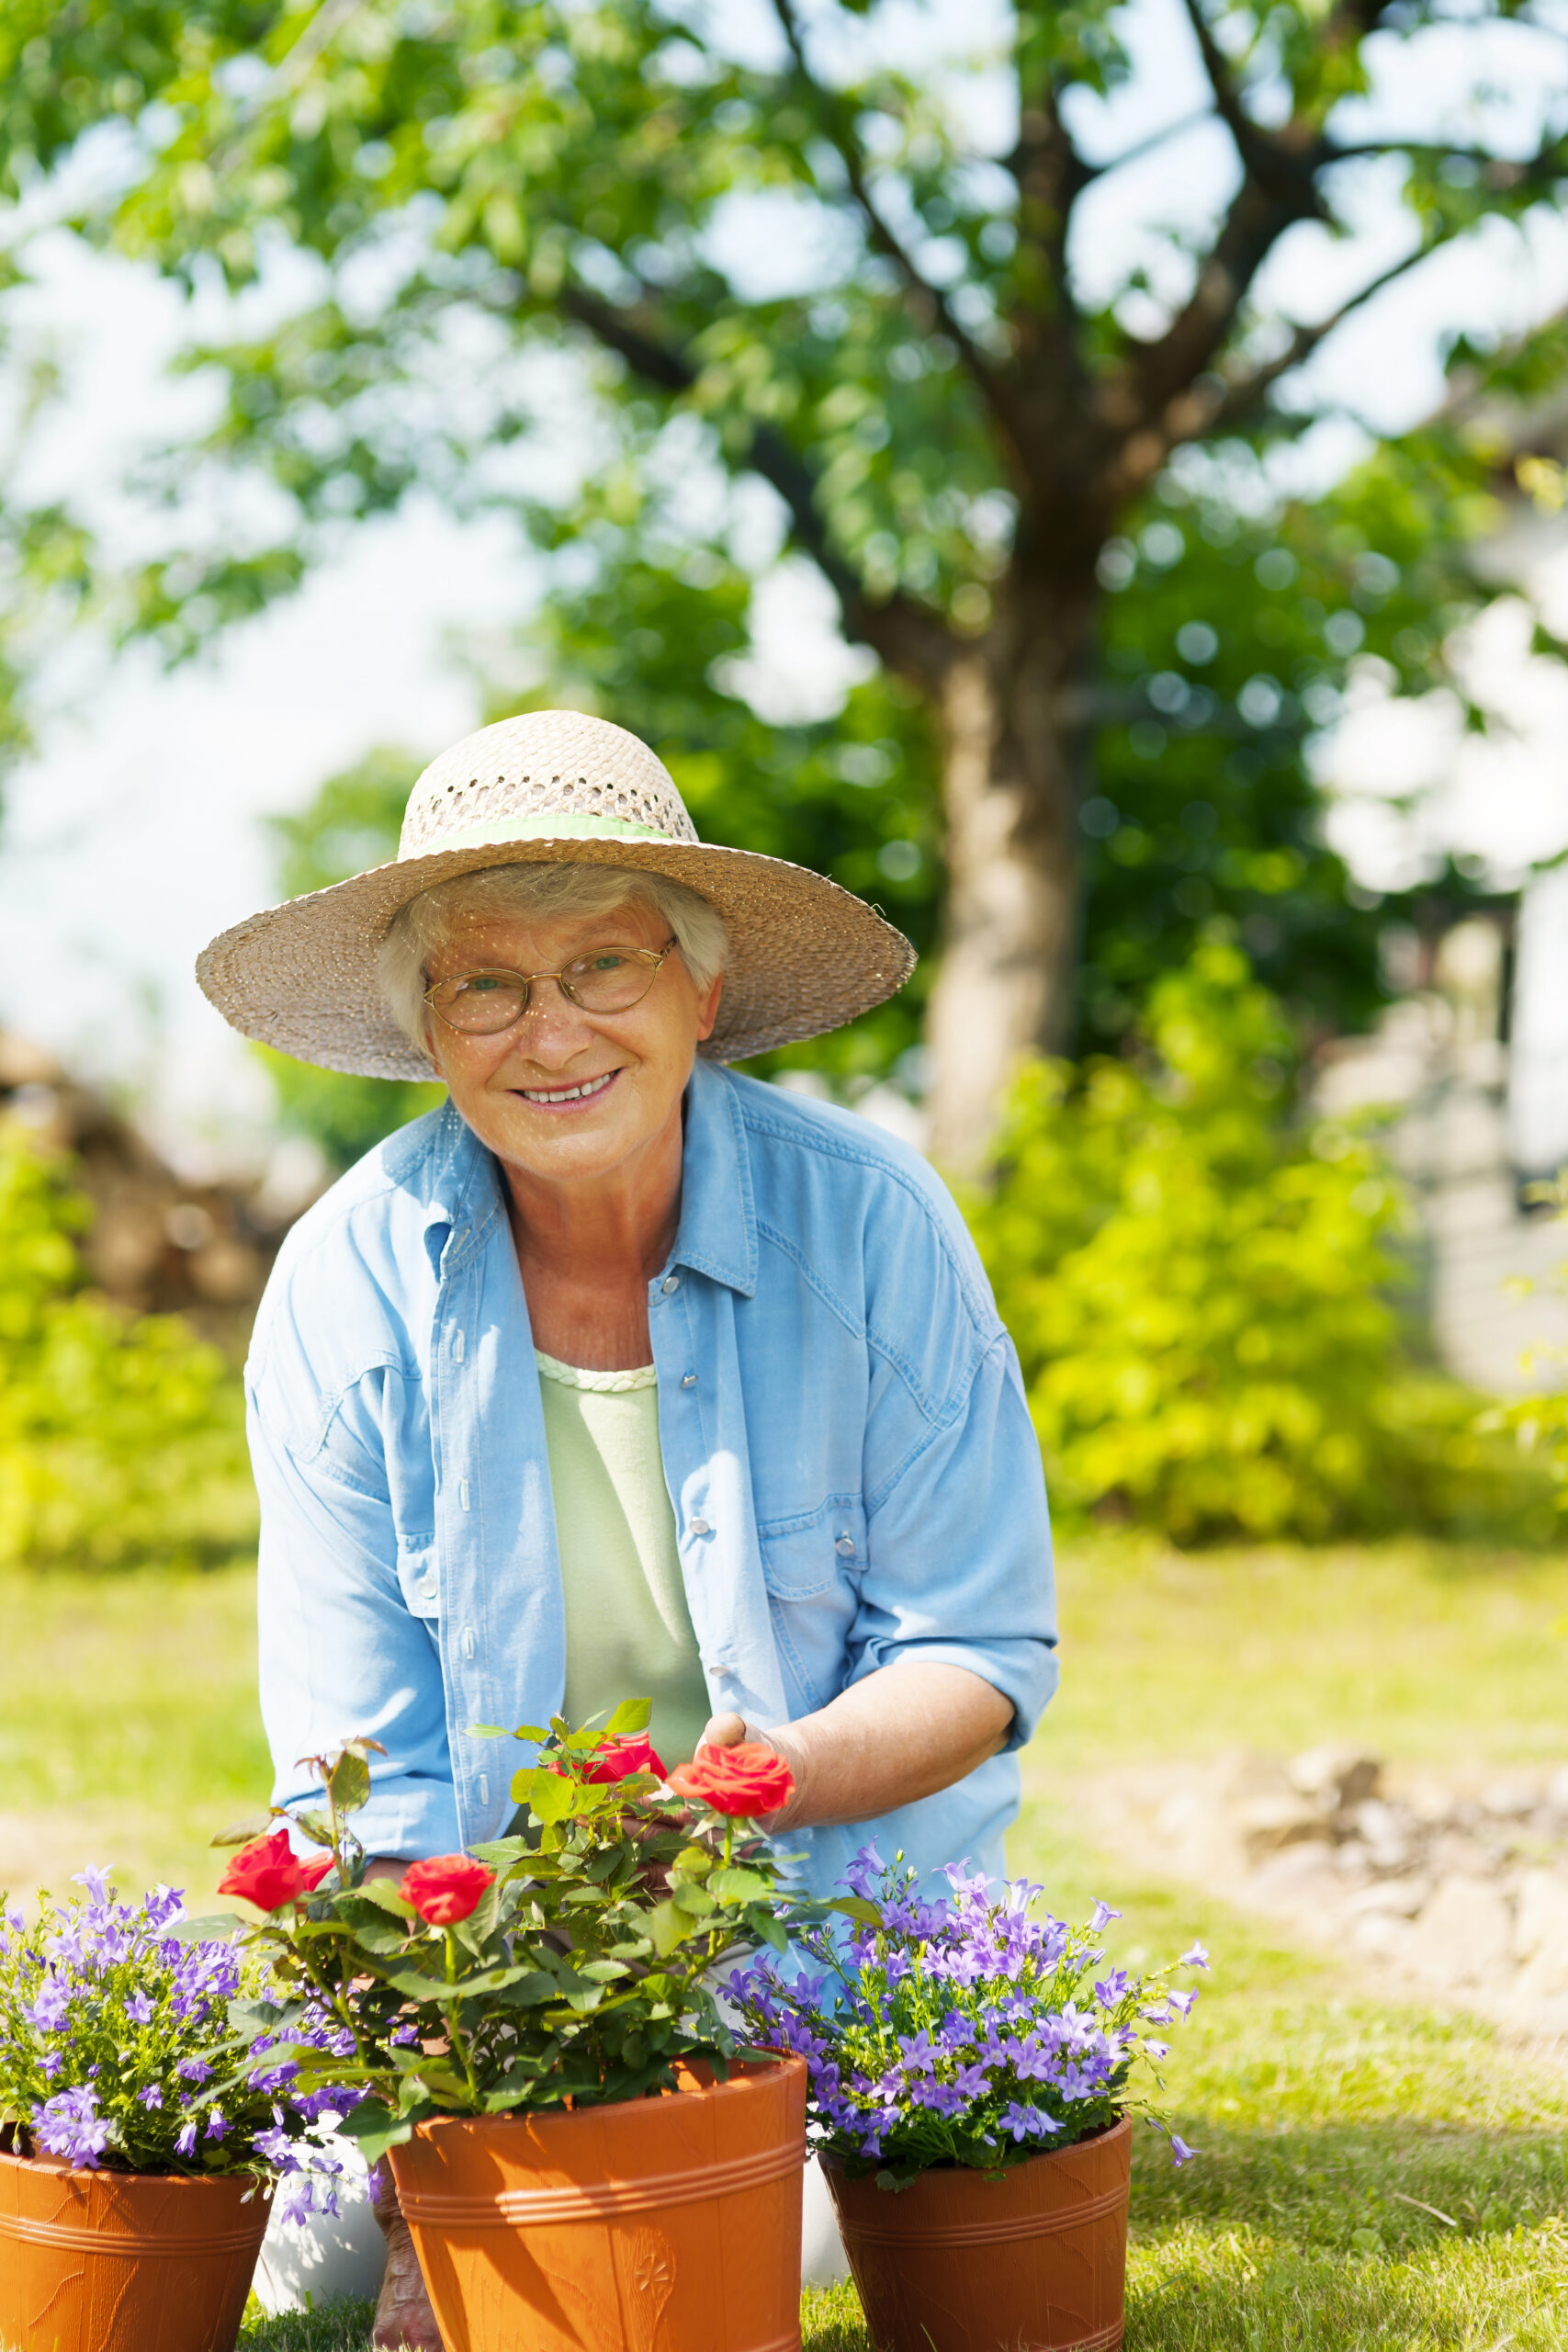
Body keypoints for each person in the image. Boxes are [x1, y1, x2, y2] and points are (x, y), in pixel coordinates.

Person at [198, 707, 1055, 2346]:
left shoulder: (871, 1225)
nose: (551, 1033)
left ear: (699, 993)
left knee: (749, 2226)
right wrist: (447, 2128)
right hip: (495, 1974)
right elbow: (355, 1770)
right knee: (307, 2258)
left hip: (826, 1943)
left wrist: (775, 1774)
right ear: (431, 1028)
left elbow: (978, 1648)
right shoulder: (344, 1285)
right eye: (487, 985)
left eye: (604, 965)